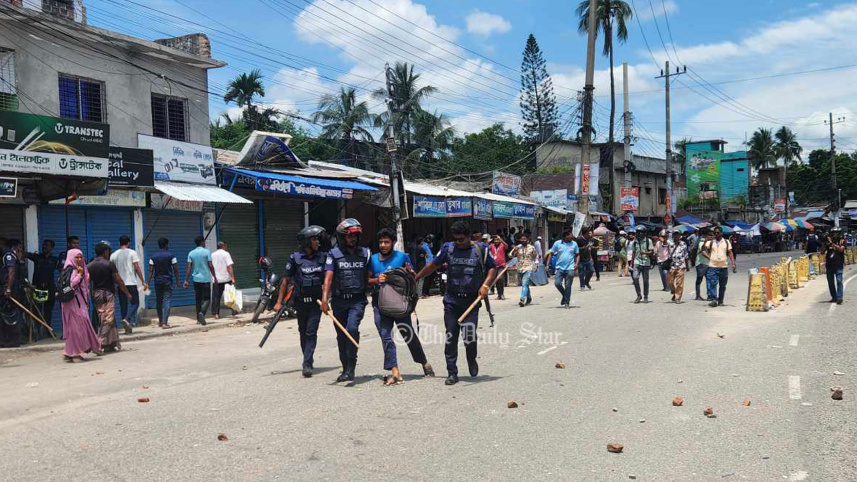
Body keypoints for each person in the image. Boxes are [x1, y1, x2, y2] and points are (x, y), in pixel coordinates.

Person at [415, 221, 496, 386]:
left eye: (461, 239)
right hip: (452, 301)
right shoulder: (448, 248)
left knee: (469, 336)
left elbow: (493, 268)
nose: (458, 242)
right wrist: (417, 277)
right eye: (455, 239)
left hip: (471, 301)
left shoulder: (481, 249)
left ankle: (471, 359)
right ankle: (452, 372)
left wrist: (486, 285)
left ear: (468, 236)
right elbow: (433, 265)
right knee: (451, 337)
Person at [368, 228, 434, 385]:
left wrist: (410, 272)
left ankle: (424, 362)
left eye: (387, 242)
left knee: (408, 334)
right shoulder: (373, 259)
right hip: (380, 303)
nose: (383, 245)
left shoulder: (402, 257)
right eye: (381, 242)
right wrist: (376, 280)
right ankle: (394, 370)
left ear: (393, 243)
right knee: (385, 335)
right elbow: (366, 280)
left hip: (400, 303)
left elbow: (412, 276)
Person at [274, 226, 327, 378]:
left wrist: (326, 299)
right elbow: (285, 281)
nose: (318, 242)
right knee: (303, 332)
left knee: (311, 332)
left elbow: (328, 279)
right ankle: (307, 358)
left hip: (316, 303)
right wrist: (279, 302)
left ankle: (307, 363)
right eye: (314, 239)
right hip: (300, 302)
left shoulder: (323, 257)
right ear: (306, 242)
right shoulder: (295, 258)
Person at [322, 218, 371, 383]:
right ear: (342, 237)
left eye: (355, 236)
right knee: (341, 335)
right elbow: (328, 278)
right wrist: (324, 299)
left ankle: (351, 368)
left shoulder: (365, 254)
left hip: (357, 300)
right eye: (350, 236)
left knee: (351, 328)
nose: (353, 239)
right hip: (339, 301)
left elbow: (371, 276)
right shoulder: (333, 255)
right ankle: (345, 369)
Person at [61, 249, 103, 362]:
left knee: (79, 326)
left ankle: (71, 352)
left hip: (80, 302)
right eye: (77, 257)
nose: (79, 259)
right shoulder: (71, 269)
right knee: (76, 328)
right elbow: (71, 284)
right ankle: (75, 353)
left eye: (81, 257)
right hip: (73, 303)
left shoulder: (80, 267)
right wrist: (79, 274)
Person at [88, 242, 131, 352]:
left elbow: (88, 283)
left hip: (96, 294)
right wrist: (127, 293)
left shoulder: (90, 265)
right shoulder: (109, 264)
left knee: (105, 317)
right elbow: (119, 281)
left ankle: (111, 343)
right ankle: (98, 343)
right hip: (107, 294)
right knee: (108, 319)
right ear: (105, 251)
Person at [110, 235, 147, 332]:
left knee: (123, 306)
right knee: (135, 303)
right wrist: (143, 281)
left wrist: (114, 285)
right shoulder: (132, 252)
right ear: (128, 243)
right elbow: (137, 267)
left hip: (120, 284)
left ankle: (126, 328)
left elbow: (112, 272)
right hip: (131, 283)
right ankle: (127, 319)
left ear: (119, 243)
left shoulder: (113, 255)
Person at [26, 239, 58, 337]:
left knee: (48, 311)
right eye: (43, 245)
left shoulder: (55, 260)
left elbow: (63, 271)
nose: (44, 246)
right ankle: (37, 333)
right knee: (38, 311)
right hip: (39, 289)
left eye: (47, 245)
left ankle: (48, 331)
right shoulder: (37, 257)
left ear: (52, 248)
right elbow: (24, 254)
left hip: (50, 289)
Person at [147, 238, 180, 329]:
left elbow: (150, 271)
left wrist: (148, 283)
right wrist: (177, 281)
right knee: (167, 300)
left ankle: (161, 322)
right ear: (166, 245)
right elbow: (176, 269)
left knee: (159, 301)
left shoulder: (153, 257)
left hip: (157, 281)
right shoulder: (171, 256)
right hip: (168, 281)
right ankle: (165, 323)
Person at [544, 227, 580, 308]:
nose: (572, 236)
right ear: (565, 236)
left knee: (568, 286)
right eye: (570, 235)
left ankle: (567, 302)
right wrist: (547, 264)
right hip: (559, 268)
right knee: (557, 283)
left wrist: (576, 264)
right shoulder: (557, 243)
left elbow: (577, 255)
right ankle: (565, 296)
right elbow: (551, 254)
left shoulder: (574, 244)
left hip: (570, 268)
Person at [702, 226, 737, 308]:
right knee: (712, 283)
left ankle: (720, 301)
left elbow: (730, 252)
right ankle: (714, 299)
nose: (716, 234)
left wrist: (733, 263)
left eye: (718, 232)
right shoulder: (711, 242)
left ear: (721, 233)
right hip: (713, 266)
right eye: (715, 233)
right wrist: (709, 257)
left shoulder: (726, 242)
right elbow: (703, 250)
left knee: (722, 285)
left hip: (723, 267)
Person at [184, 236, 215, 326]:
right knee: (207, 299)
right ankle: (202, 313)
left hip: (196, 280)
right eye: (204, 241)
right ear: (202, 242)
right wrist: (215, 276)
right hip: (205, 279)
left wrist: (186, 280)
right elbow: (210, 265)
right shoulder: (207, 252)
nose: (205, 243)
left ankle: (198, 319)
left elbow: (189, 267)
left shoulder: (191, 253)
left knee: (198, 299)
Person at [0, 240, 24, 348]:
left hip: (8, 291)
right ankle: (8, 341)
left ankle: (11, 341)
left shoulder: (8, 255)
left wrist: (8, 289)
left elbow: (11, 272)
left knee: (10, 315)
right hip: (12, 290)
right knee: (9, 315)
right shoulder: (13, 257)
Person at [510, 232, 538, 307]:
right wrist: (514, 250)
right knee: (525, 284)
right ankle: (529, 298)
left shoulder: (531, 248)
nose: (523, 240)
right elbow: (510, 255)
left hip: (528, 267)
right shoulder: (518, 247)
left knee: (524, 283)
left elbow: (535, 257)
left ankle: (522, 299)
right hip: (519, 268)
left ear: (527, 240)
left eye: (524, 239)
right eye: (521, 239)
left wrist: (536, 265)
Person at [210, 242, 236, 319]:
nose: (226, 247)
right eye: (226, 246)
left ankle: (216, 314)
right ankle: (233, 310)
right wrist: (233, 278)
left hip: (216, 279)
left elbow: (210, 266)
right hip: (226, 278)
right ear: (223, 246)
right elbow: (229, 266)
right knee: (230, 295)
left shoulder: (212, 255)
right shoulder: (226, 254)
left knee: (216, 297)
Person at [629, 226, 655, 303]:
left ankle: (646, 296)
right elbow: (633, 253)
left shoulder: (648, 241)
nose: (639, 234)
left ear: (644, 233)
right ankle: (639, 295)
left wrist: (645, 253)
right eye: (638, 232)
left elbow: (651, 252)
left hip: (646, 263)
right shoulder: (634, 242)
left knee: (645, 281)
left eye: (641, 232)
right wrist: (631, 263)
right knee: (635, 278)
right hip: (637, 262)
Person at [823, 228, 846, 304]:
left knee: (839, 280)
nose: (835, 234)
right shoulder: (828, 242)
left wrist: (832, 243)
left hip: (838, 264)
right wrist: (824, 243)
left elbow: (841, 250)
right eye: (834, 232)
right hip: (829, 264)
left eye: (836, 232)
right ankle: (834, 297)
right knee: (830, 282)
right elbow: (822, 251)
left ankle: (839, 297)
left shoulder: (842, 241)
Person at [667, 231, 690, 303]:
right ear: (673, 235)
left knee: (679, 283)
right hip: (672, 265)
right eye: (675, 234)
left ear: (680, 236)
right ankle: (674, 291)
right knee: (669, 281)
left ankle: (677, 298)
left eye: (678, 234)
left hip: (681, 265)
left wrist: (687, 265)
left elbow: (686, 255)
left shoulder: (683, 244)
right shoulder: (670, 244)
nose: (676, 236)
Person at [693, 231, 713, 301]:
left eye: (712, 235)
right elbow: (703, 251)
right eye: (710, 235)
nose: (711, 236)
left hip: (708, 264)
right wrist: (710, 258)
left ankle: (709, 295)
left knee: (709, 279)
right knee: (699, 279)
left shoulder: (711, 242)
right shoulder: (702, 242)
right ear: (706, 236)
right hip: (701, 263)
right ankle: (698, 295)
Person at [488, 235, 508, 300]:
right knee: (495, 280)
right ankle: (498, 294)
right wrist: (489, 241)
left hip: (501, 266)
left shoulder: (502, 245)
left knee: (500, 279)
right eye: (495, 240)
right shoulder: (492, 246)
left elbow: (506, 246)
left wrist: (501, 239)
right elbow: (486, 248)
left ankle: (501, 294)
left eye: (497, 240)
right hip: (493, 266)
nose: (496, 241)